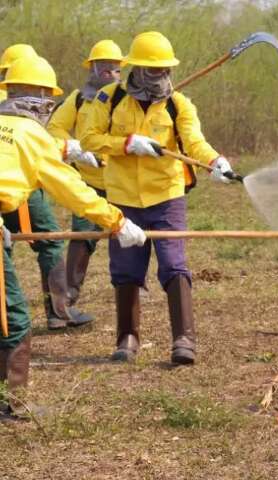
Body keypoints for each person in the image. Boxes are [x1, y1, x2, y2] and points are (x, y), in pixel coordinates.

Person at [0, 55, 146, 420]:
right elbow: (71, 190)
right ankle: (13, 406)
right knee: (13, 318)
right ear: (40, 97)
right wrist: (116, 221)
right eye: (48, 98)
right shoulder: (33, 135)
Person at [81, 31, 237, 365]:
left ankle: (184, 339)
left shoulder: (178, 103)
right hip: (123, 198)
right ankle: (127, 338)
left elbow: (194, 142)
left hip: (167, 197)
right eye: (153, 70)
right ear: (135, 68)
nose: (160, 77)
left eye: (165, 70)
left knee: (174, 264)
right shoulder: (109, 99)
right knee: (125, 269)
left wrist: (215, 162)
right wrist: (126, 144)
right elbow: (89, 140)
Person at [0, 43, 94, 330]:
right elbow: (31, 147)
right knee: (50, 240)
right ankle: (59, 311)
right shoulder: (20, 104)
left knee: (5, 251)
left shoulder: (10, 101)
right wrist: (66, 148)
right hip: (20, 185)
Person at [48, 39, 124, 306]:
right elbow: (55, 127)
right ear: (92, 68)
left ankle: (128, 289)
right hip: (87, 182)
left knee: (124, 234)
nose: (110, 72)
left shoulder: (129, 99)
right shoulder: (78, 99)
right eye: (103, 67)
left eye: (115, 68)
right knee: (82, 235)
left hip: (123, 182)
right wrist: (77, 148)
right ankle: (70, 293)